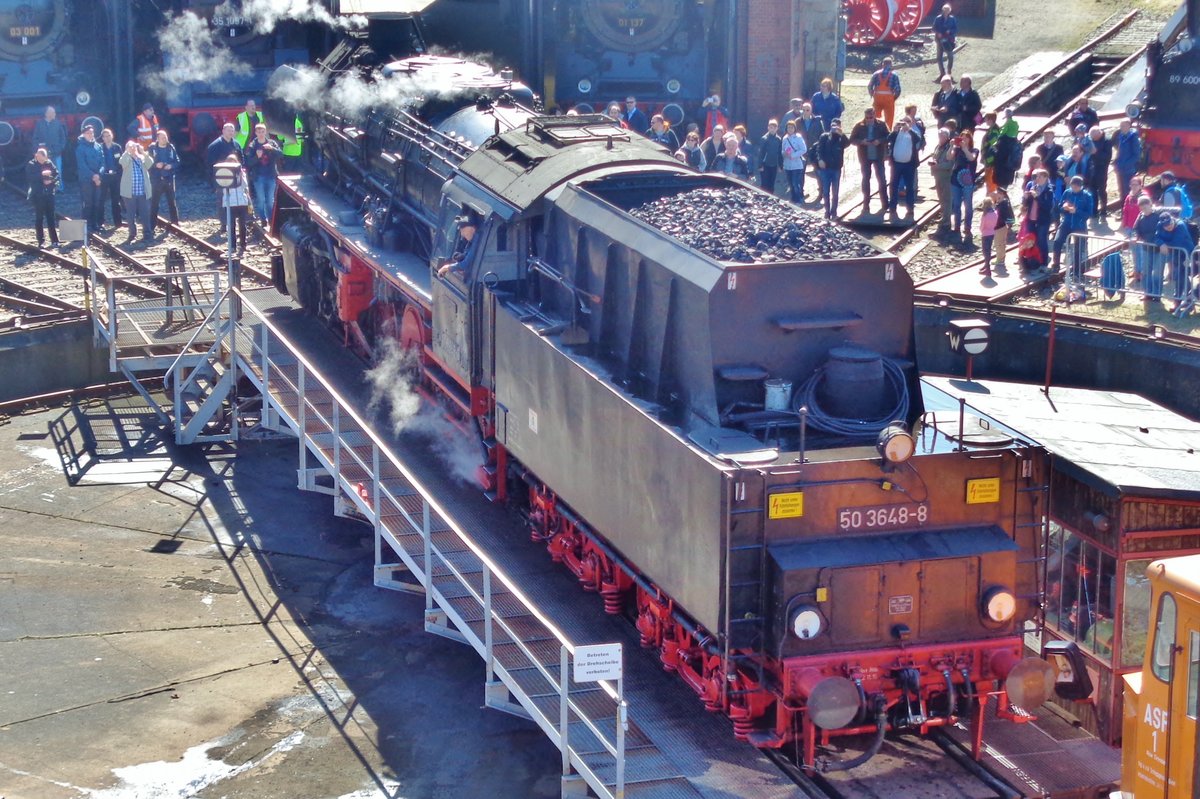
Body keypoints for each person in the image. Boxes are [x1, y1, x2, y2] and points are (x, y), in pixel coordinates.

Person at [1052, 175, 1094, 278]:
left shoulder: (1087, 196)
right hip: (1066, 222)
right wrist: (1064, 208)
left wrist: (1076, 211)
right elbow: (1060, 207)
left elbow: (1089, 213)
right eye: (1073, 186)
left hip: (1079, 225)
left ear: (1081, 186)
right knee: (1057, 241)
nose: (1074, 188)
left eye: (1076, 187)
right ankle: (1055, 265)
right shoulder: (1067, 192)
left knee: (1078, 248)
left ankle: (1076, 270)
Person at [850, 108, 889, 214]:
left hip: (878, 156)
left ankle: (885, 204)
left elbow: (888, 137)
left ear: (874, 116)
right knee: (865, 180)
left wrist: (879, 141)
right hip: (865, 157)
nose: (869, 120)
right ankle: (866, 204)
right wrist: (862, 142)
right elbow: (852, 139)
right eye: (867, 118)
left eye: (871, 117)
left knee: (882, 179)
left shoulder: (881, 124)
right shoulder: (859, 126)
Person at [207, 123, 242, 236]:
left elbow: (242, 160)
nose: (231, 132)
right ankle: (223, 223)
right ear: (223, 131)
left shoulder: (236, 144)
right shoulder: (215, 146)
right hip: (221, 179)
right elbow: (209, 164)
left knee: (235, 201)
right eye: (228, 130)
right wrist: (213, 183)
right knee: (222, 201)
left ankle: (234, 222)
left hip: (235, 179)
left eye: (232, 130)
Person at [1156, 213, 1195, 311]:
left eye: (1169, 224)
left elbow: (1176, 242)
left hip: (1186, 254)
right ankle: (1189, 299)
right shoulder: (1160, 225)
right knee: (1182, 276)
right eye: (1166, 225)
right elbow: (1156, 237)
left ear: (1172, 219)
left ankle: (1178, 300)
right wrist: (1161, 243)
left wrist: (1164, 244)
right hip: (1175, 254)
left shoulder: (1180, 225)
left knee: (1180, 276)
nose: (1168, 226)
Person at [244, 123, 282, 222]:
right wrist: (257, 157)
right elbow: (248, 163)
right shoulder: (253, 146)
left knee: (270, 200)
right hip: (258, 177)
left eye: (263, 132)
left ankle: (270, 219)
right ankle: (263, 218)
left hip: (271, 175)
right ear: (256, 133)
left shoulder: (272, 143)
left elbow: (280, 155)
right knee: (261, 199)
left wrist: (272, 149)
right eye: (259, 132)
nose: (261, 134)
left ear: (266, 132)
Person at [119, 140, 155, 244]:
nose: (133, 149)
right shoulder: (126, 158)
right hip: (130, 193)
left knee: (145, 214)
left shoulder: (141, 158)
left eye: (134, 147)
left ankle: (147, 233)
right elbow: (122, 163)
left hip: (142, 191)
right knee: (131, 215)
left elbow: (150, 163)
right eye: (131, 147)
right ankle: (132, 234)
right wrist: (127, 151)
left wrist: (142, 152)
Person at [887, 116, 922, 219]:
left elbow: (918, 139)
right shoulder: (897, 133)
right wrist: (894, 130)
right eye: (903, 122)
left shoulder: (913, 133)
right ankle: (892, 207)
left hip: (909, 164)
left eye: (907, 122)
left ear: (910, 123)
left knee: (909, 187)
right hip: (896, 164)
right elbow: (888, 139)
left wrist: (909, 129)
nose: (904, 124)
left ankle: (910, 208)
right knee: (894, 186)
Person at [814, 118, 850, 219]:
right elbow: (819, 149)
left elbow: (848, 144)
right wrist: (820, 159)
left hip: (836, 168)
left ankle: (834, 212)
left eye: (837, 126)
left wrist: (841, 134)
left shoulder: (840, 138)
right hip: (825, 168)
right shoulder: (824, 136)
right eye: (833, 126)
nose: (834, 128)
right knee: (825, 191)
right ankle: (827, 211)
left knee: (835, 191)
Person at [26, 148, 60, 248]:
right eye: (42, 158)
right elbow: (30, 178)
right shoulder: (31, 164)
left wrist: (52, 181)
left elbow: (57, 175)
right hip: (38, 195)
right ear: (37, 156)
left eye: (45, 159)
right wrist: (42, 175)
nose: (43, 161)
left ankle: (54, 240)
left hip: (49, 193)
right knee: (39, 218)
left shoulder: (49, 163)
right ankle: (41, 241)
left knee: (51, 217)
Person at [149, 129, 181, 232]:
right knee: (154, 203)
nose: (165, 139)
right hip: (157, 179)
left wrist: (171, 166)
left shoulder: (170, 147)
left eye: (166, 137)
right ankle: (152, 224)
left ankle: (175, 222)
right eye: (163, 138)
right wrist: (155, 165)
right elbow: (147, 162)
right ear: (157, 139)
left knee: (172, 201)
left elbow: (177, 161)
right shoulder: (152, 148)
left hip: (169, 178)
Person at [1022, 168, 1054, 269]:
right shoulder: (1033, 187)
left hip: (1042, 220)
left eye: (1040, 176)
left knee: (1041, 241)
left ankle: (1044, 262)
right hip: (1031, 218)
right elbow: (1027, 204)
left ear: (1045, 178)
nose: (1037, 178)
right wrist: (1026, 198)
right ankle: (1033, 261)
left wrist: (1036, 197)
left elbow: (1047, 206)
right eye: (1037, 176)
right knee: (1031, 240)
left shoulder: (1049, 190)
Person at [950, 132, 980, 238]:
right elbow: (949, 157)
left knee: (968, 205)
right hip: (955, 180)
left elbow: (971, 158)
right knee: (956, 204)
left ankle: (967, 227)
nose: (964, 139)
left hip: (968, 181)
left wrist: (964, 148)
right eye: (962, 137)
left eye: (966, 138)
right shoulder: (957, 149)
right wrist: (951, 146)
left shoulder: (974, 150)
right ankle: (957, 226)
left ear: (970, 139)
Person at [75, 125, 104, 232]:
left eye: (92, 133)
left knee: (97, 201)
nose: (90, 135)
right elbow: (82, 165)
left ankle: (95, 223)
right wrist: (93, 175)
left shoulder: (98, 146)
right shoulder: (80, 148)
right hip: (86, 179)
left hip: (97, 178)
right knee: (88, 203)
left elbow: (102, 162)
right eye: (88, 133)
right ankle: (87, 225)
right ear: (83, 135)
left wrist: (99, 175)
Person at [218, 156, 250, 253]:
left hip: (241, 202)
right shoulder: (223, 174)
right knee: (231, 225)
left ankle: (243, 244)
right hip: (230, 203)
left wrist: (240, 175)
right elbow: (222, 187)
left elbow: (245, 186)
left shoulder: (241, 173)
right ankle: (232, 246)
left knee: (242, 225)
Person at [32, 106, 67, 192]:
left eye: (54, 112)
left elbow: (63, 138)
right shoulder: (39, 124)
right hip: (44, 153)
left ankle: (59, 188)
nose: (54, 114)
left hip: (56, 151)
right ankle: (46, 188)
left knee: (58, 170)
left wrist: (60, 148)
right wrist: (37, 149)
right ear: (47, 114)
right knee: (44, 170)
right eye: (52, 112)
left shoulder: (58, 123)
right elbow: (35, 138)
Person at [437, 215, 480, 279]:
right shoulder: (471, 240)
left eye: (463, 230)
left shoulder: (478, 241)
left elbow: (465, 264)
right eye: (461, 231)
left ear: (473, 229)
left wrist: (446, 267)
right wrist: (461, 255)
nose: (462, 234)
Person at [931, 128, 956, 234]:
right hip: (938, 176)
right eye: (939, 135)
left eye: (942, 136)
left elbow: (950, 164)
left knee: (947, 199)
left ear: (946, 136)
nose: (940, 137)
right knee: (941, 198)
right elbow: (934, 156)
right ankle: (944, 217)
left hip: (946, 176)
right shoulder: (938, 146)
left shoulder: (949, 147)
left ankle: (947, 221)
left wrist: (938, 165)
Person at [1112, 119, 1142, 206]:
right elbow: (1119, 152)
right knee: (1121, 190)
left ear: (1129, 126)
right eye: (1121, 126)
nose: (1121, 128)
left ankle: (1129, 208)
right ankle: (1123, 210)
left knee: (1128, 190)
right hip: (1120, 168)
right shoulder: (1121, 136)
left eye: (1123, 126)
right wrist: (1116, 162)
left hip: (1129, 169)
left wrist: (1125, 164)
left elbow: (1136, 155)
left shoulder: (1133, 138)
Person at [1132, 194, 1158, 294]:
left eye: (1145, 208)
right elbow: (1135, 229)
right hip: (1146, 247)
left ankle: (1156, 293)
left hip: (1158, 248)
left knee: (1157, 273)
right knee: (1146, 272)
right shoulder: (1141, 216)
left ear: (1150, 205)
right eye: (1142, 209)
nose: (1144, 211)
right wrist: (1135, 236)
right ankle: (1146, 292)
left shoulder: (1158, 215)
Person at [1088, 126, 1114, 222]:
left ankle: (1103, 210)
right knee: (1092, 191)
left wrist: (1096, 153)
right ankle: (1094, 211)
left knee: (1102, 191)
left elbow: (1107, 157)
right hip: (1092, 169)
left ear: (1099, 134)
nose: (1093, 139)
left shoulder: (1107, 141)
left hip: (1102, 169)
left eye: (1094, 137)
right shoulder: (1092, 141)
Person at [867, 56, 902, 129]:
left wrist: (872, 95)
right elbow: (898, 90)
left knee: (875, 117)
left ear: (883, 64)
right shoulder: (894, 75)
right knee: (889, 118)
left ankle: (874, 131)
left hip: (877, 98)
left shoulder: (876, 74)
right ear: (891, 64)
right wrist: (893, 98)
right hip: (889, 100)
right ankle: (887, 132)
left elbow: (870, 86)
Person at [98, 128, 123, 229]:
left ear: (112, 136)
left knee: (116, 200)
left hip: (115, 177)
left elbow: (121, 162)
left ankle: (118, 222)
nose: (107, 138)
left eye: (109, 135)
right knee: (101, 199)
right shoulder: (99, 148)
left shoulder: (117, 147)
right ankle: (100, 222)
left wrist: (120, 175)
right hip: (104, 177)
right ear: (102, 138)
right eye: (105, 136)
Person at [798, 105, 824, 199]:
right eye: (803, 110)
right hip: (802, 150)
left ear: (811, 111)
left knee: (818, 172)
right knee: (800, 172)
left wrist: (820, 148)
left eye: (807, 110)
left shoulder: (817, 122)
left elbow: (822, 135)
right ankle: (800, 192)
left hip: (814, 149)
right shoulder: (798, 122)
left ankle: (821, 191)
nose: (805, 112)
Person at [781, 119, 807, 203]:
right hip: (787, 164)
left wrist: (793, 155)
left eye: (792, 128)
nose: (790, 129)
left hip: (796, 164)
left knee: (795, 183)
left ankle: (799, 199)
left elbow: (804, 149)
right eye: (788, 128)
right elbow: (782, 150)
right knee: (791, 184)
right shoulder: (785, 138)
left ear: (794, 128)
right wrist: (784, 153)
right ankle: (793, 198)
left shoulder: (798, 137)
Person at [931, 4, 958, 80]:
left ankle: (949, 72)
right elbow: (933, 28)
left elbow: (955, 29)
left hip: (949, 40)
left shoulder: (952, 19)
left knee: (950, 56)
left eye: (947, 10)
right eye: (944, 10)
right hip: (939, 40)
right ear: (942, 10)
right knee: (939, 57)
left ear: (949, 11)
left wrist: (950, 31)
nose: (945, 12)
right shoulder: (938, 18)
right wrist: (937, 32)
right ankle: (942, 73)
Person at [757, 119, 783, 196]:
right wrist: (760, 165)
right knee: (764, 184)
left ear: (777, 128)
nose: (772, 129)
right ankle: (763, 198)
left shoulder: (778, 139)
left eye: (774, 127)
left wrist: (780, 166)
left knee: (771, 183)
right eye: (771, 127)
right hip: (765, 165)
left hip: (774, 165)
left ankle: (770, 198)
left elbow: (780, 153)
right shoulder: (764, 139)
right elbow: (761, 153)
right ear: (768, 127)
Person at [993, 188, 1016, 272]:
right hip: (997, 226)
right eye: (997, 193)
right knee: (998, 244)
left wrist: (1009, 225)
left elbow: (1009, 216)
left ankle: (1000, 260)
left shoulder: (1005, 204)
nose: (997, 194)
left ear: (1003, 194)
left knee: (1000, 244)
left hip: (1001, 226)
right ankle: (999, 259)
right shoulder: (999, 203)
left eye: (999, 193)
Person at [979, 197, 998, 278]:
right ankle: (986, 266)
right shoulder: (995, 213)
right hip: (992, 233)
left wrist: (982, 231)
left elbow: (982, 226)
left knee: (985, 251)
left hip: (985, 234)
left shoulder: (985, 215)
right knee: (989, 250)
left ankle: (987, 269)